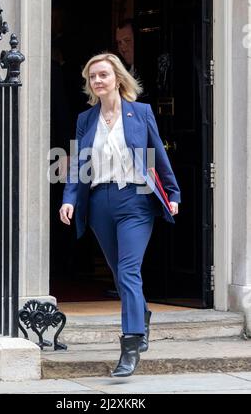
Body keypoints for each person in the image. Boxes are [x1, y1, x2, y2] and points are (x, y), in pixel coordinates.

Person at [59, 53, 181, 377]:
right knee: (118, 271)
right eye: (92, 77)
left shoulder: (140, 113)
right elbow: (78, 164)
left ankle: (131, 344)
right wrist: (69, 198)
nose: (97, 81)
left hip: (135, 201)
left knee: (128, 271)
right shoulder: (86, 120)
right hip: (99, 202)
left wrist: (173, 193)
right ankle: (142, 314)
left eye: (103, 75)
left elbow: (157, 155)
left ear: (117, 78)